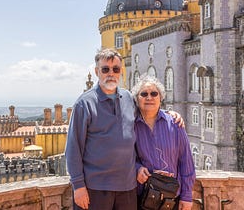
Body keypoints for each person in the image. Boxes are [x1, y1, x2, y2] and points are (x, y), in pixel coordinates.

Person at [65, 48, 184, 210]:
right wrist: (78, 186)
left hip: (128, 188)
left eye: (115, 69)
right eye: (105, 69)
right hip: (96, 188)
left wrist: (168, 114)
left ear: (121, 71)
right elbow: (73, 148)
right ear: (96, 71)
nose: (111, 73)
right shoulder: (84, 104)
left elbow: (147, 110)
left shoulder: (128, 98)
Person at [132, 75, 195, 210]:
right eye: (144, 94)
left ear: (160, 98)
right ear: (137, 99)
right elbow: (127, 158)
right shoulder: (132, 127)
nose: (149, 97)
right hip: (144, 198)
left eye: (154, 93)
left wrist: (187, 196)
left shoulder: (175, 123)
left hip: (172, 199)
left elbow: (186, 161)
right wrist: (137, 168)